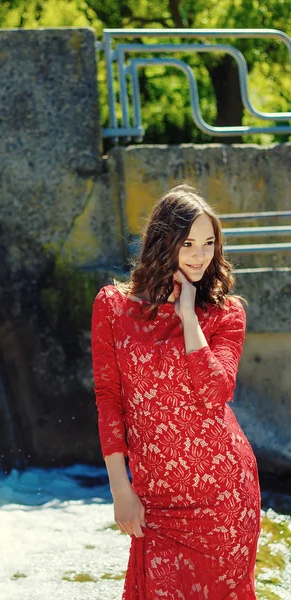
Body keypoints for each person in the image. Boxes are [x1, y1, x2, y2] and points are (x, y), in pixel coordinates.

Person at [90, 184, 261, 599]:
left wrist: (188, 318)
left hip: (223, 498)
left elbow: (215, 392)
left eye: (208, 244)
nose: (200, 255)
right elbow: (109, 399)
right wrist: (120, 489)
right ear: (163, 241)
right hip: (155, 503)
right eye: (188, 243)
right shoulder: (113, 307)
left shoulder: (225, 313)